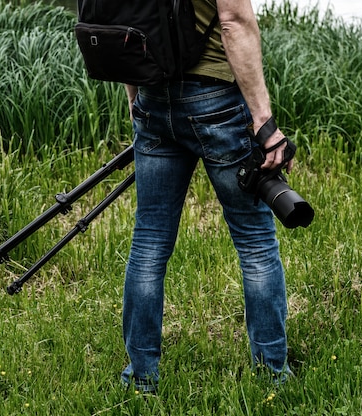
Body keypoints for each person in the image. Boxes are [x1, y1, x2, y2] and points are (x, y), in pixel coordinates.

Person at [120, 0, 294, 393]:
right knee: (255, 242)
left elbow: (127, 22)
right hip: (214, 99)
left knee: (148, 242)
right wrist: (264, 121)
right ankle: (271, 374)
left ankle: (140, 378)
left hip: (153, 95)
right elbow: (234, 20)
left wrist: (136, 97)